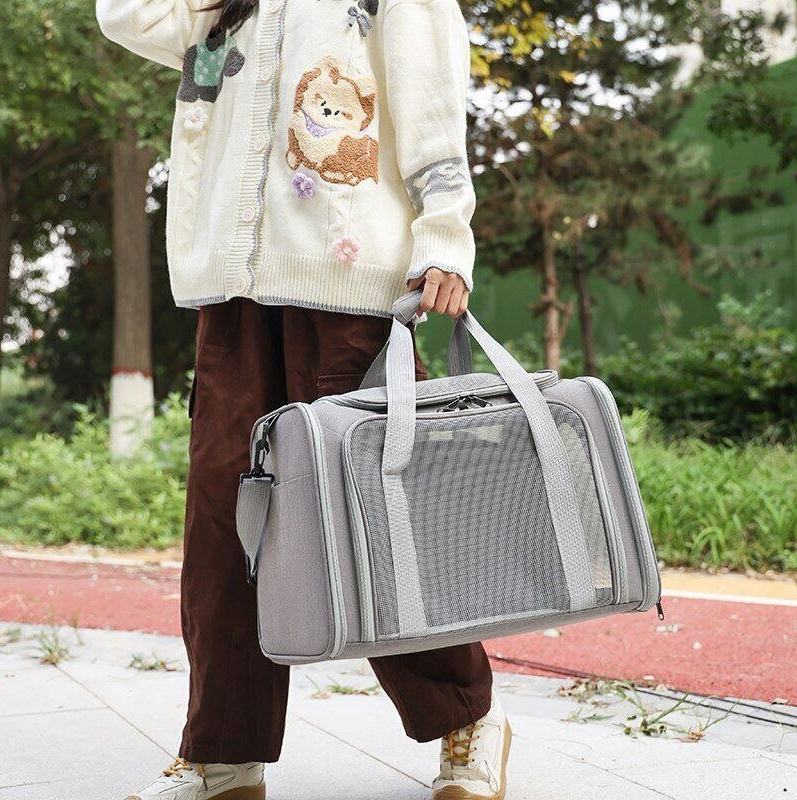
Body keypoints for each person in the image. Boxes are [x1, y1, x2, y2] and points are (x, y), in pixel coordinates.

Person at [95, 0, 511, 798]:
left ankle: (466, 716)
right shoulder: (224, 9)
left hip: (350, 294)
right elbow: (125, 16)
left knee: (377, 521)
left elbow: (430, 95)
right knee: (225, 526)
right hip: (234, 294)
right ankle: (224, 752)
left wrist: (444, 236)